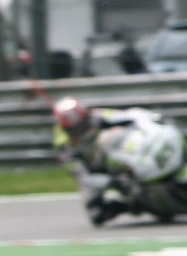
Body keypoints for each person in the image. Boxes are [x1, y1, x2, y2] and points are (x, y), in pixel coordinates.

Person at [52, 96, 167, 224]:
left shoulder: (97, 115)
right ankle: (132, 205)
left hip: (113, 153)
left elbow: (130, 115)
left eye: (83, 123)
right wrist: (113, 182)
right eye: (76, 128)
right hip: (93, 170)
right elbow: (83, 177)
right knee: (97, 215)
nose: (82, 130)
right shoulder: (63, 146)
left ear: (85, 115)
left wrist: (152, 118)